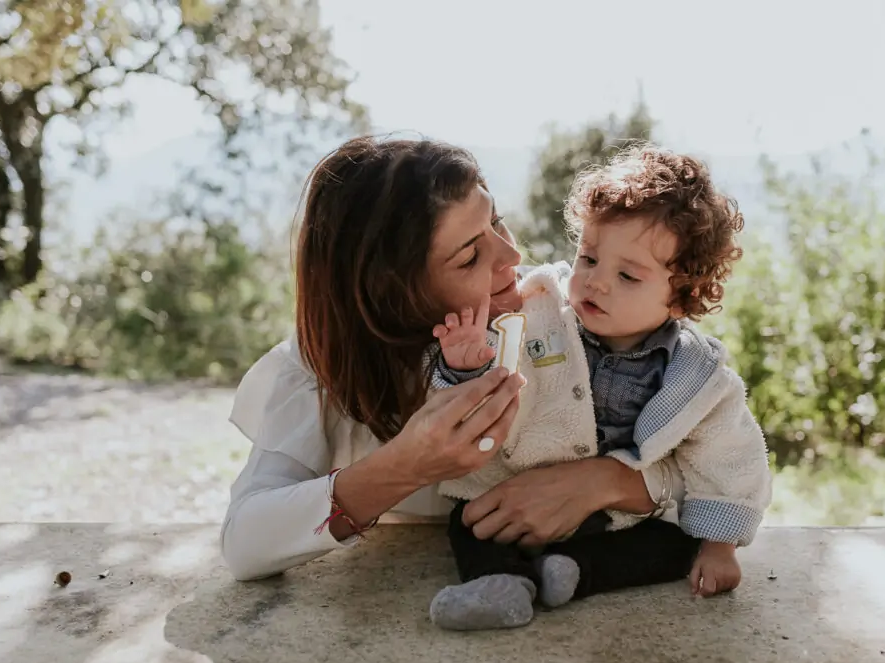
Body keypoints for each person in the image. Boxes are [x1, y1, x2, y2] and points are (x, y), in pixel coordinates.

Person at [221, 135, 675, 587]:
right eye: (471, 256)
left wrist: (602, 483)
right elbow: (244, 543)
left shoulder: (567, 312)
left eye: (497, 222)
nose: (512, 257)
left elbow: (715, 450)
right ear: (394, 294)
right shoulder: (316, 371)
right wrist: (406, 466)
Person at [425, 145, 772, 631]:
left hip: (617, 518)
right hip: (513, 499)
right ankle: (499, 583)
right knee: (469, 524)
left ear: (681, 298)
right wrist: (463, 365)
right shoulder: (539, 314)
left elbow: (732, 457)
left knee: (674, 543)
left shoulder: (696, 375)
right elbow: (488, 386)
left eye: (627, 275)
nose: (596, 283)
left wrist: (721, 545)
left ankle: (573, 573)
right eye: (588, 258)